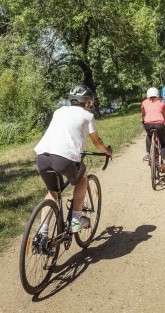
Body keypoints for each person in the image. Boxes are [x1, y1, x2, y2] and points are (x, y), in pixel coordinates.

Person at [35, 85, 113, 233]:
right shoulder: (87, 116)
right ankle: (75, 221)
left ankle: (42, 231)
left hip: (42, 157)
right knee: (82, 179)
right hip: (64, 159)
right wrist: (107, 151)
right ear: (88, 102)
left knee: (53, 192)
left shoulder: (58, 111)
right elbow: (97, 142)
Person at [141, 87, 165, 173]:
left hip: (148, 124)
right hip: (159, 125)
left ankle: (148, 154)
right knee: (163, 143)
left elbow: (143, 114)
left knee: (149, 136)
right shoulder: (161, 103)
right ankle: (161, 162)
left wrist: (143, 120)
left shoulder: (144, 103)